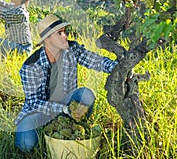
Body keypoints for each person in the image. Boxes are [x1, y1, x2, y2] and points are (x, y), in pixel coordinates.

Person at [14, 14, 119, 152]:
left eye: (65, 31)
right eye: (59, 33)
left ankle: (69, 127)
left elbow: (96, 61)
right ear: (47, 39)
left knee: (86, 95)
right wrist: (64, 109)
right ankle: (47, 134)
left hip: (65, 108)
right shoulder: (30, 66)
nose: (65, 36)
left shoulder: (72, 49)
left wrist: (119, 68)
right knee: (26, 144)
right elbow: (35, 103)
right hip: (38, 113)